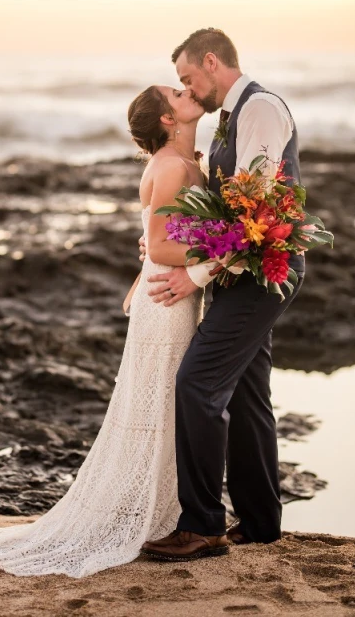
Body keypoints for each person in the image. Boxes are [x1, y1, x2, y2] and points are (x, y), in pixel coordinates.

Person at [0, 83, 218, 578]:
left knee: (168, 403)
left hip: (173, 293)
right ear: (165, 119)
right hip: (166, 298)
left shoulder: (190, 162)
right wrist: (223, 255)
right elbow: (159, 247)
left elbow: (167, 238)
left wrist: (204, 254)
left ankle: (175, 511)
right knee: (159, 403)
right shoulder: (174, 167)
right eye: (174, 93)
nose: (185, 91)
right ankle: (164, 515)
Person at [141, 28, 305, 562]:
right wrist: (166, 240)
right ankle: (259, 523)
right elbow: (221, 211)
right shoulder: (226, 122)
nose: (188, 88)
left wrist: (198, 275)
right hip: (242, 267)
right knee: (247, 394)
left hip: (262, 271)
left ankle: (204, 524)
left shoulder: (258, 111)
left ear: (212, 62)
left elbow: (254, 212)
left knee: (197, 384)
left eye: (188, 78)